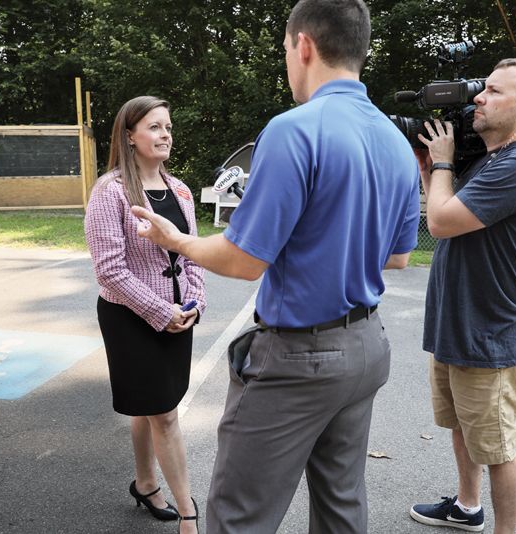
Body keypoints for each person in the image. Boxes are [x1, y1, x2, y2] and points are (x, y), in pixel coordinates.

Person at [130, 1, 420, 532]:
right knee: (341, 509)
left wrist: (178, 239)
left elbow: (244, 260)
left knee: (238, 517)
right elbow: (398, 255)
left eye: (286, 48)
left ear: (303, 45)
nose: (287, 60)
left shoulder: (294, 130)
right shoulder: (397, 142)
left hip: (299, 360)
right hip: (365, 348)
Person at [409, 59, 516, 534]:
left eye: (493, 91)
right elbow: (443, 205)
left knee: (496, 448)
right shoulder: (489, 160)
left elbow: (440, 223)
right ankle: (467, 507)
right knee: (461, 427)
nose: (478, 97)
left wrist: (446, 161)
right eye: (482, 89)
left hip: (489, 332)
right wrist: (432, 168)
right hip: (456, 323)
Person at [84, 96, 205, 534]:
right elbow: (110, 270)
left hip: (178, 316)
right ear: (129, 136)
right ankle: (189, 514)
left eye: (168, 127)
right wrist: (161, 311)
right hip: (130, 318)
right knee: (165, 414)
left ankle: (145, 482)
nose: (165, 134)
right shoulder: (110, 191)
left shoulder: (182, 191)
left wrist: (194, 305)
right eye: (154, 127)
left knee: (147, 407)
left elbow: (191, 258)